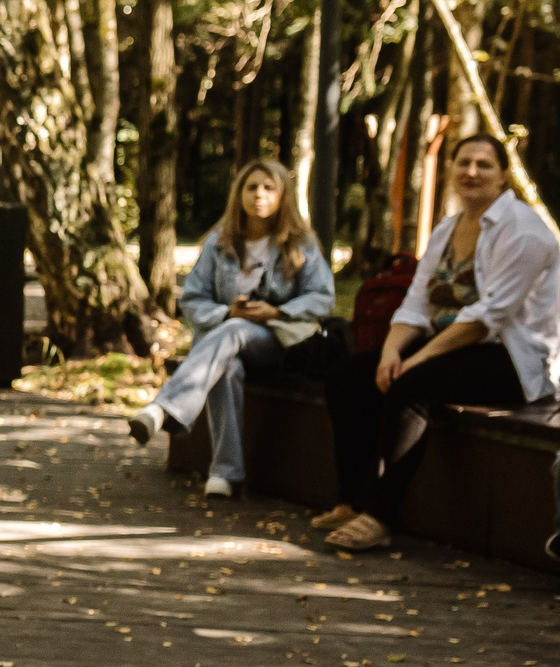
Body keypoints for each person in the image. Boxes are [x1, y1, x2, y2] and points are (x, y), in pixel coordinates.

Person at [317, 132, 560, 551]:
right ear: (450, 169)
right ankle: (351, 500)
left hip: (515, 359)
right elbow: (416, 304)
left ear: (503, 175)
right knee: (348, 376)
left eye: (484, 164)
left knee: (412, 387)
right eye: (463, 162)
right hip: (456, 345)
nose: (472, 171)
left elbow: (488, 318)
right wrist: (392, 351)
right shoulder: (448, 228)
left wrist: (419, 359)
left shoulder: (523, 230)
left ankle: (379, 514)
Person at [125, 158, 334, 496]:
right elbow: (192, 299)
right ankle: (225, 473)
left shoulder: (300, 243)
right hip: (226, 341)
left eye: (269, 188)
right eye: (251, 187)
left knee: (232, 333)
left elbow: (322, 298)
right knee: (228, 364)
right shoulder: (219, 243)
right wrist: (225, 312)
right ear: (239, 195)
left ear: (283, 196)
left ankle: (163, 409)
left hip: (276, 342)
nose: (259, 195)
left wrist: (276, 312)